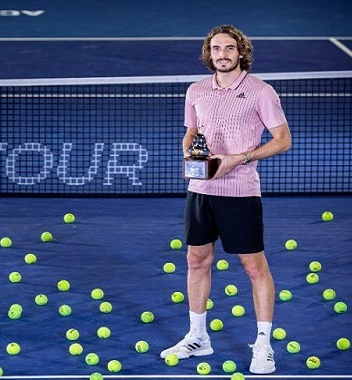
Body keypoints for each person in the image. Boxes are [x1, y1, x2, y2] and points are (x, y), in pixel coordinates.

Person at [159, 25, 291, 375]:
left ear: (241, 52)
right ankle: (198, 337)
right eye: (216, 48)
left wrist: (240, 158)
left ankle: (263, 344)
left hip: (240, 192)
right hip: (201, 191)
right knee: (197, 260)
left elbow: (282, 140)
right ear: (209, 53)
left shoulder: (261, 91)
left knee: (254, 267)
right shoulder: (196, 90)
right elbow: (191, 132)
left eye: (229, 48)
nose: (222, 54)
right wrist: (189, 152)